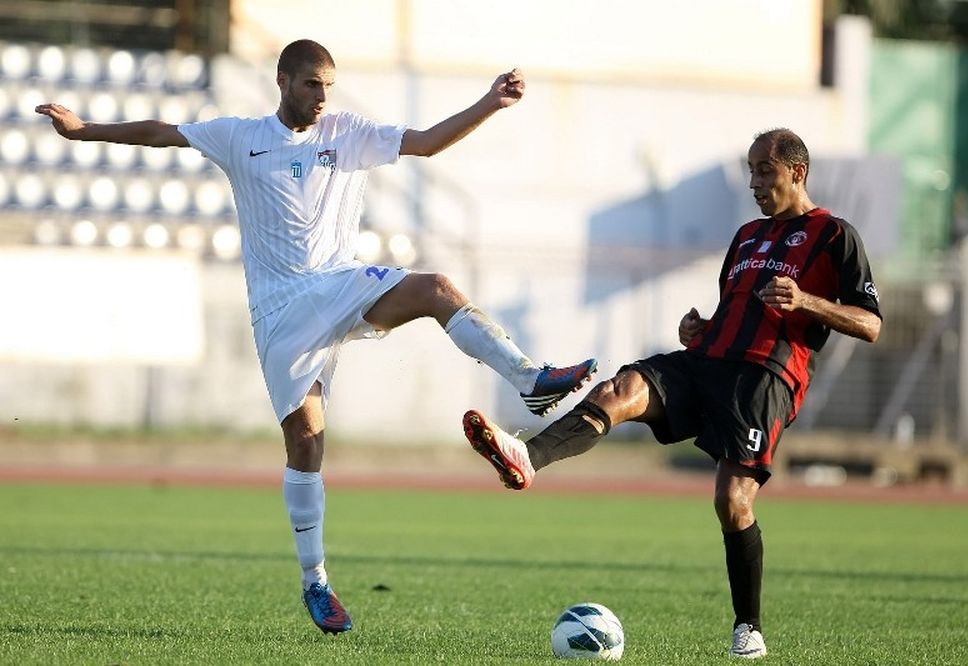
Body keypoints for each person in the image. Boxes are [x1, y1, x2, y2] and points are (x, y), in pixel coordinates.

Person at [36, 39, 597, 635]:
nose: (322, 96)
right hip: (279, 312)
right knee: (306, 442)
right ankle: (316, 583)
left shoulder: (348, 131)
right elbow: (162, 132)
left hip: (341, 285)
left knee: (435, 286)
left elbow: (428, 143)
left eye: (328, 84)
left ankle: (530, 378)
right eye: (311, 84)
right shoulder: (238, 135)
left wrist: (489, 102)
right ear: (282, 81)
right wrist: (84, 130)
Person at [461, 128, 882, 659]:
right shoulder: (748, 235)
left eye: (765, 171)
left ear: (797, 172)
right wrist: (700, 330)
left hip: (764, 379)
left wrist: (808, 302)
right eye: (751, 170)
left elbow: (870, 324)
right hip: (705, 362)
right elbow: (738, 313)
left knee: (732, 503)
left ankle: (747, 626)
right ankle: (528, 456)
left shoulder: (834, 235)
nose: (754, 182)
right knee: (623, 388)